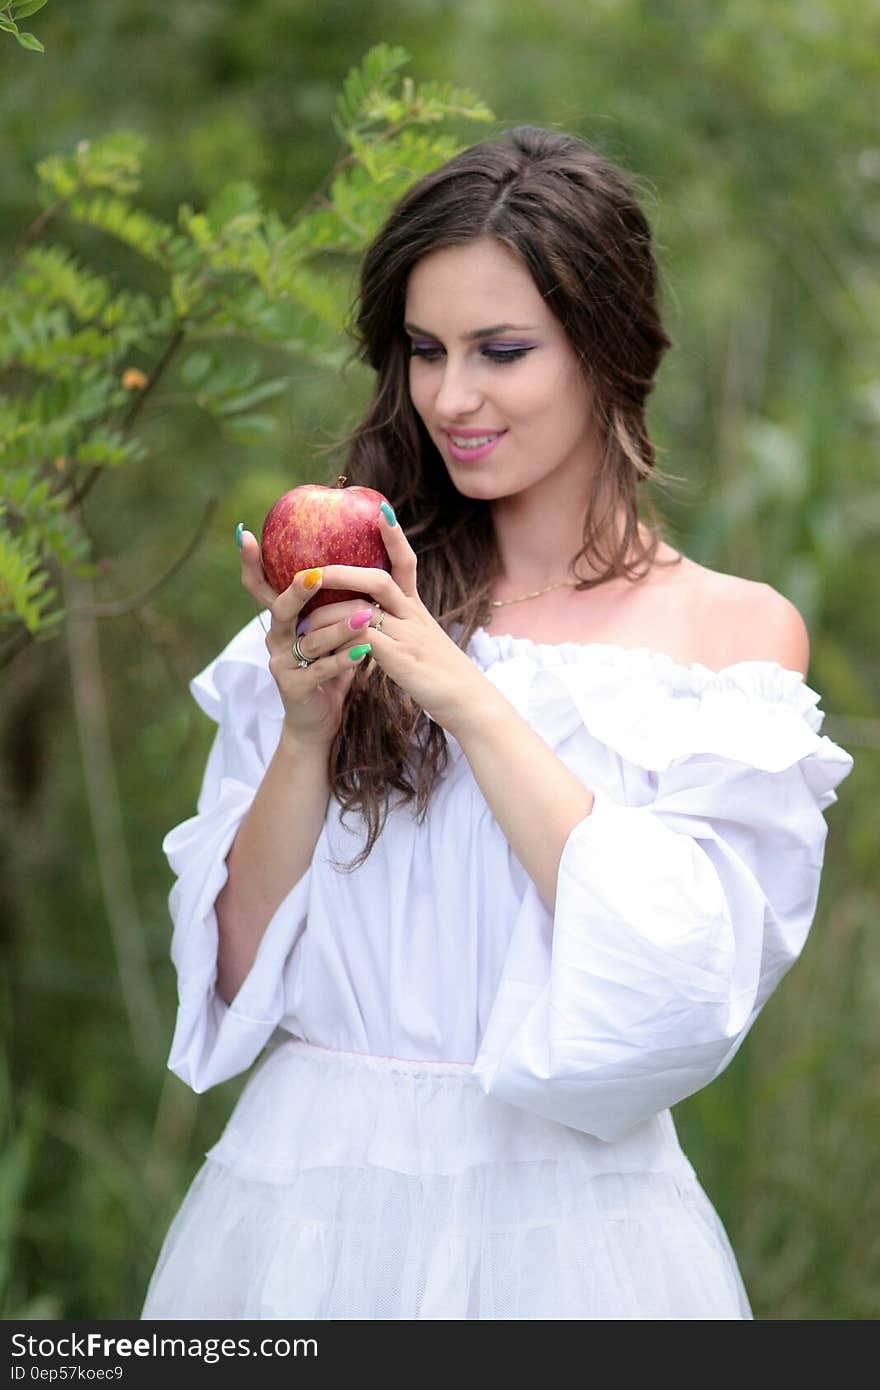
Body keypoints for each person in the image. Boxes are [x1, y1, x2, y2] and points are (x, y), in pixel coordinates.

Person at [141, 126, 854, 1320]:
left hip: (573, 1230)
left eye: (501, 351)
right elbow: (229, 975)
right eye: (424, 351)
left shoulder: (728, 637)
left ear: (607, 349)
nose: (450, 398)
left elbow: (679, 992)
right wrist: (308, 737)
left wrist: (467, 695)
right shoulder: (348, 601)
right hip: (305, 1207)